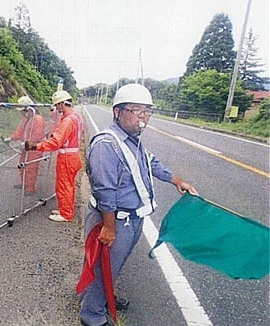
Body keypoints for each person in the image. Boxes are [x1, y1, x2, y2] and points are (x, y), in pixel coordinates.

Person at [78, 83, 198, 326]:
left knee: (112, 264)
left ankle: (99, 298)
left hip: (132, 218)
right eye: (136, 110)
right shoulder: (106, 145)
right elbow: (105, 192)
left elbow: (150, 162)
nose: (143, 117)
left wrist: (176, 180)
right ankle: (92, 316)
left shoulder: (132, 140)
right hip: (113, 219)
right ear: (117, 112)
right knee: (104, 267)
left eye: (147, 111)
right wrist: (109, 228)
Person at [25, 90, 84, 222]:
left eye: (57, 105)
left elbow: (56, 142)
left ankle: (66, 214)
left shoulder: (68, 121)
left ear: (63, 104)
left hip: (67, 158)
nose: (57, 109)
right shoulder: (77, 117)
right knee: (69, 185)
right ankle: (66, 209)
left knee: (64, 186)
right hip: (74, 156)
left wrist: (36, 146)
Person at [5, 96, 46, 194]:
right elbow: (20, 131)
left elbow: (38, 135)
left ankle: (30, 188)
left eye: (23, 110)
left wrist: (26, 143)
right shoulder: (26, 119)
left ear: (28, 109)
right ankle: (24, 183)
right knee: (22, 165)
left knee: (31, 168)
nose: (21, 113)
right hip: (25, 147)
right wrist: (11, 138)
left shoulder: (38, 119)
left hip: (34, 148)